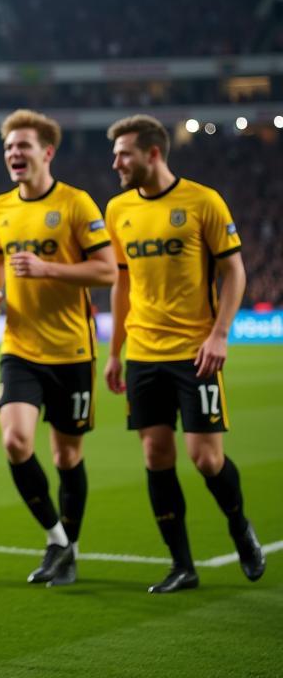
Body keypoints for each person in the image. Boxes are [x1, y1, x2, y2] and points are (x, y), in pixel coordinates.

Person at [104, 115, 265, 593]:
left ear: (153, 153)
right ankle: (182, 565)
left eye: (124, 153)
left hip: (195, 352)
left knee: (206, 458)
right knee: (156, 455)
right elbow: (122, 282)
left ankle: (239, 526)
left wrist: (219, 335)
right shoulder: (117, 210)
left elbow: (234, 271)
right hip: (143, 352)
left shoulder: (202, 201)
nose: (116, 162)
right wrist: (115, 352)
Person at [0, 110, 117, 586]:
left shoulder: (76, 204)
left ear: (46, 153)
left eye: (23, 147)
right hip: (20, 346)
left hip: (72, 350)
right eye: (9, 147)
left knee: (66, 458)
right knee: (15, 440)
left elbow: (106, 271)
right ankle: (57, 538)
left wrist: (48, 270)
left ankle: (68, 551)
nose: (14, 154)